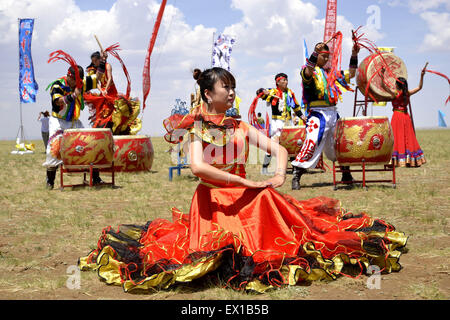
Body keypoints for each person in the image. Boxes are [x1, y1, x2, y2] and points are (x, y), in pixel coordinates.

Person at [79, 67, 407, 293]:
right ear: (208, 93)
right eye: (227, 87)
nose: (233, 92)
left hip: (245, 194)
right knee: (257, 203)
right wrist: (246, 184)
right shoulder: (194, 126)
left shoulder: (239, 126)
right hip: (213, 199)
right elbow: (198, 168)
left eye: (234, 86)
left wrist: (279, 173)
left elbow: (277, 149)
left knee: (274, 204)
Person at [291, 40, 359, 190]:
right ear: (317, 56)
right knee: (312, 141)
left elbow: (352, 74)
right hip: (317, 113)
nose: (326, 59)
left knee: (340, 143)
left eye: (328, 56)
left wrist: (354, 54)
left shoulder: (333, 74)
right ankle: (297, 174)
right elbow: (308, 72)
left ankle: (346, 175)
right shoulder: (309, 71)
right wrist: (314, 53)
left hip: (333, 113)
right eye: (323, 56)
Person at [43, 51, 107, 189]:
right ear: (69, 77)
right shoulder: (57, 85)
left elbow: (99, 76)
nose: (77, 85)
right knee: (54, 148)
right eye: (75, 82)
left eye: (79, 83)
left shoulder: (80, 83)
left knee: (90, 142)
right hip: (58, 121)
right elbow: (58, 102)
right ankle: (50, 180)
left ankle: (95, 177)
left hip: (73, 121)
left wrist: (102, 61)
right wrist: (72, 95)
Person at [256, 73, 306, 174]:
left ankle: (295, 168)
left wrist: (302, 117)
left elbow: (296, 107)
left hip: (288, 122)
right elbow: (259, 93)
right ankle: (265, 168)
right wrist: (263, 91)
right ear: (278, 82)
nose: (286, 82)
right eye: (283, 80)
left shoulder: (290, 93)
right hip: (277, 122)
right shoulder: (273, 92)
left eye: (286, 80)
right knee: (273, 145)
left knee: (292, 143)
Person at [390, 67, 427, 167]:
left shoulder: (394, 94)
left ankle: (396, 161)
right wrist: (422, 76)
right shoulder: (407, 93)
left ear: (397, 85)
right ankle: (411, 160)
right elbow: (419, 87)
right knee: (408, 137)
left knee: (397, 137)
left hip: (397, 117)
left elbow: (383, 87)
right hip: (406, 117)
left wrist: (381, 74)